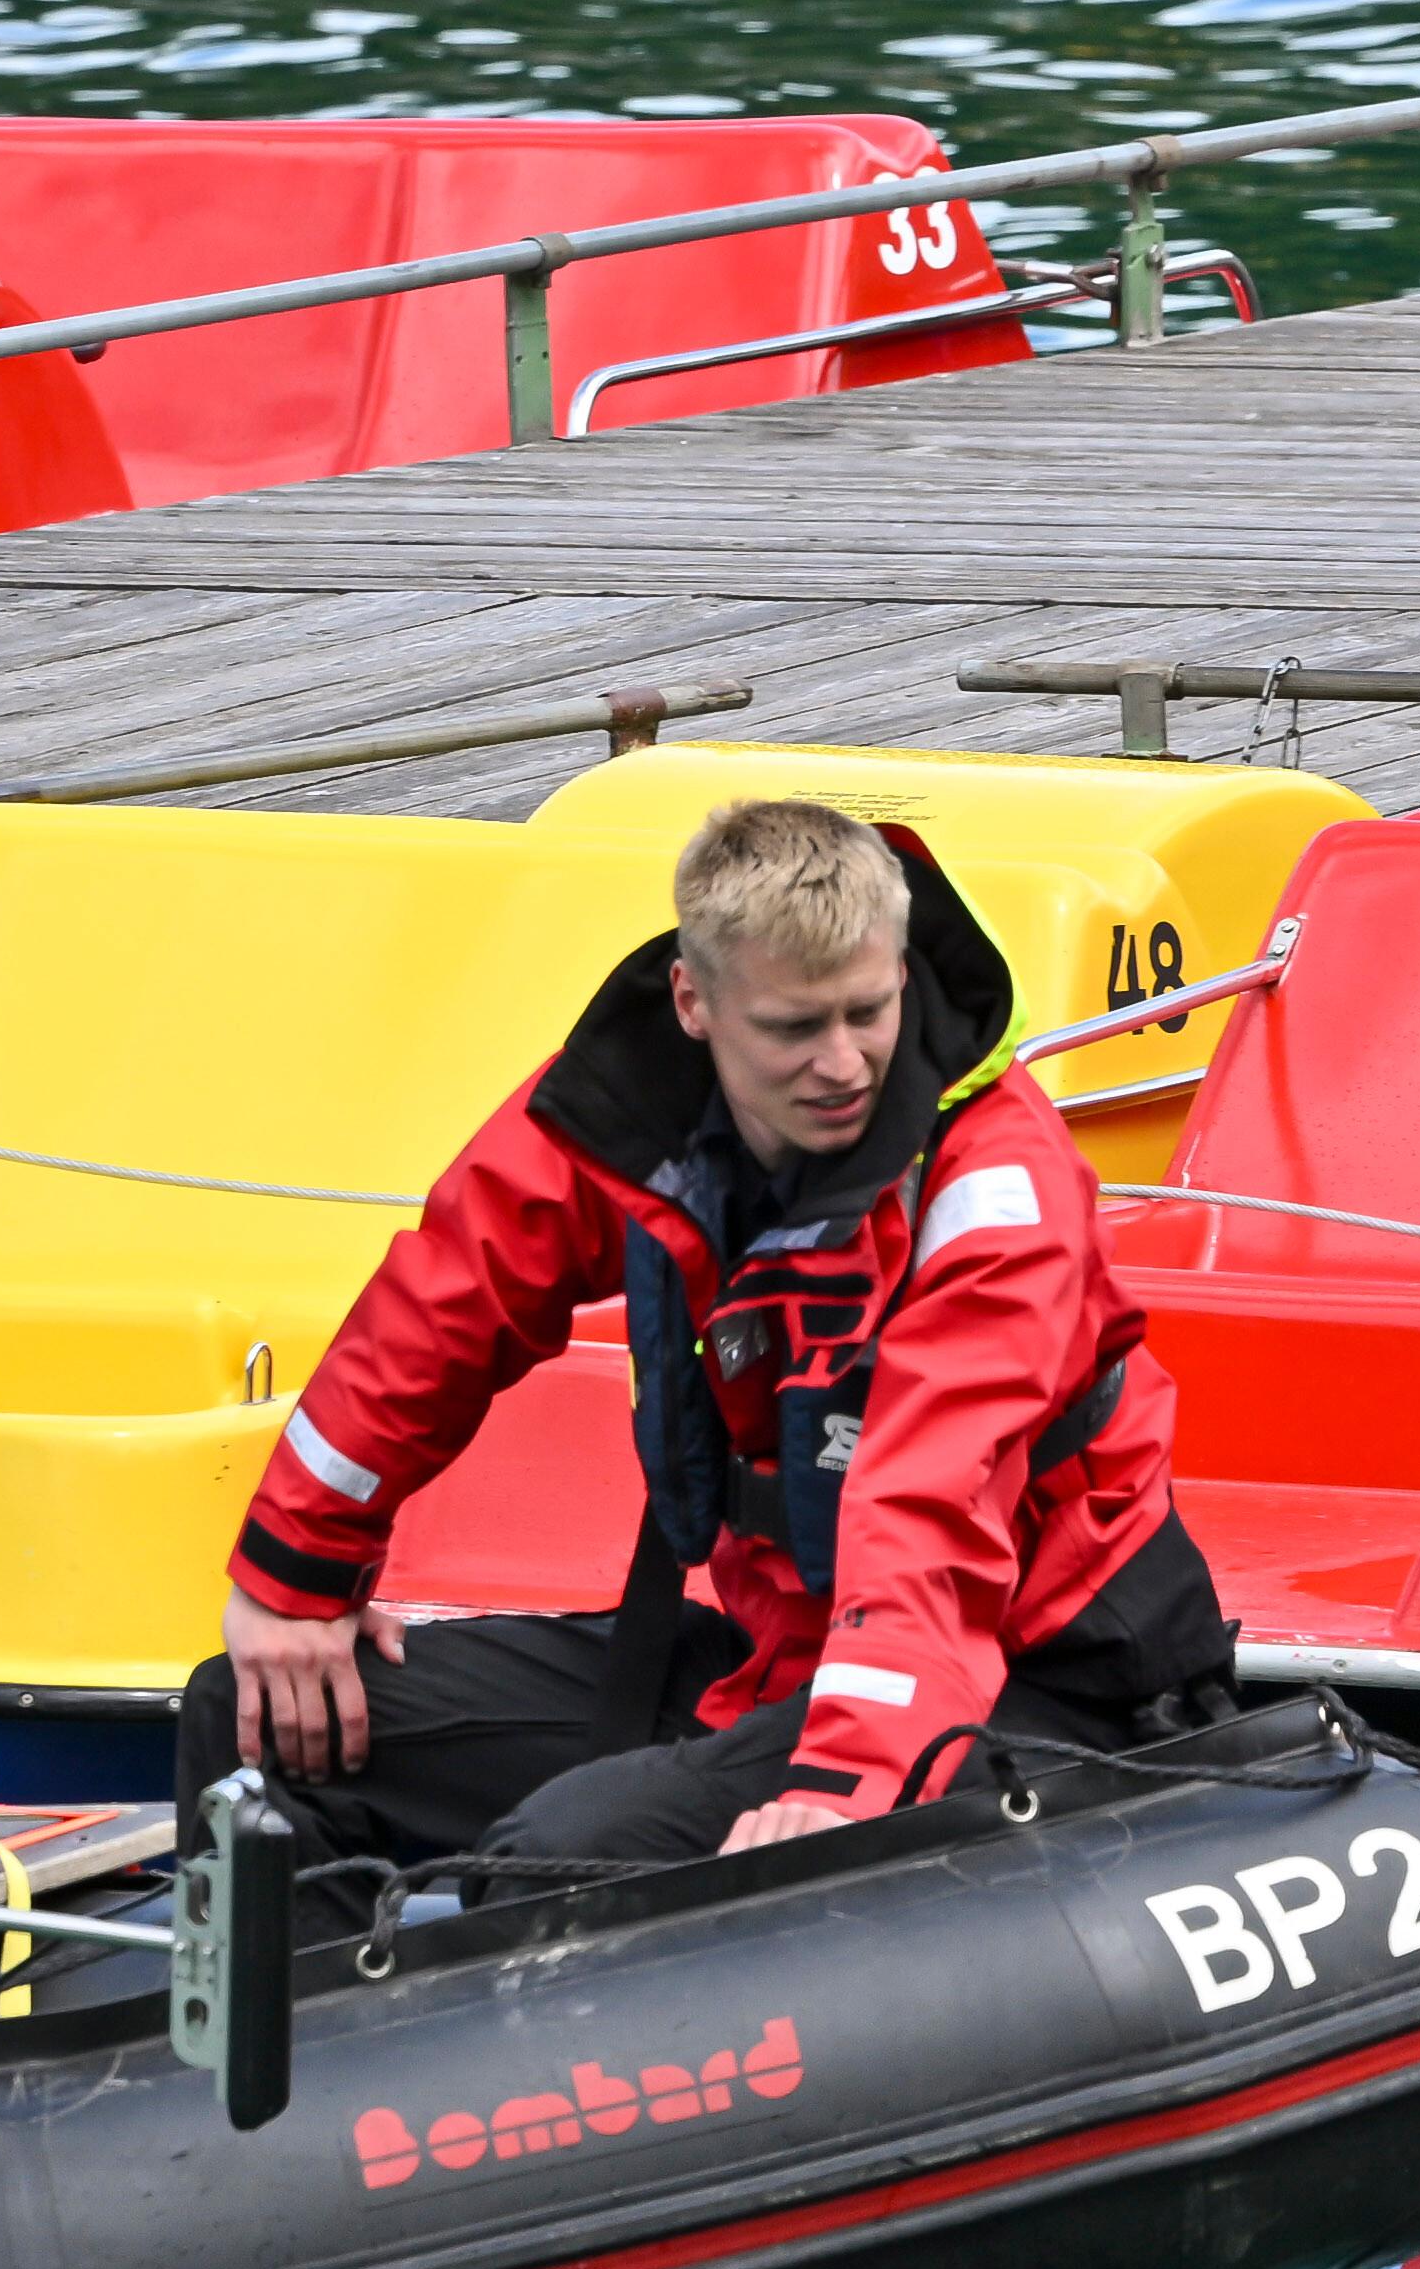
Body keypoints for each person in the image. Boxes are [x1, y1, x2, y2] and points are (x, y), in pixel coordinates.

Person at [193, 791, 1229, 1880]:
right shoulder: (628, 1113)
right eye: (795, 1028)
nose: (844, 1063)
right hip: (788, 1659)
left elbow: (932, 1505)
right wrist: (295, 1574)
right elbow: (443, 1304)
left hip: (1039, 1679)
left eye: (869, 1012)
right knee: (244, 1720)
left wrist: (841, 1784)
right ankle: (281, 1998)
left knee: (560, 1856)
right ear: (694, 1002)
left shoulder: (996, 1193)